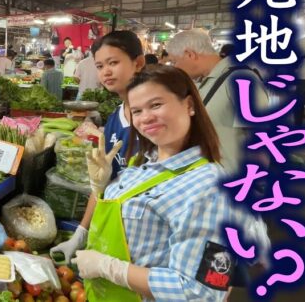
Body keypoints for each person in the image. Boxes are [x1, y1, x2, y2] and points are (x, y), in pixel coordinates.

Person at [69, 65, 269, 301]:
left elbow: (201, 292)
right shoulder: (143, 160)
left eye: (156, 105)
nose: (146, 118)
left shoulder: (209, 188)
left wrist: (109, 268)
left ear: (189, 105)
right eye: (137, 110)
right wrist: (101, 188)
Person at [50, 30, 145, 262]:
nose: (106, 72)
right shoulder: (115, 118)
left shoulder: (154, 120)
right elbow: (103, 182)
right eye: (100, 66)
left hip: (145, 234)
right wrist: (81, 231)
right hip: (117, 227)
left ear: (139, 63)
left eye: (113, 63)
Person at [166, 29, 268, 174]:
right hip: (206, 178)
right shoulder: (200, 81)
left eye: (175, 61)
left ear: (190, 54)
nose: (175, 67)